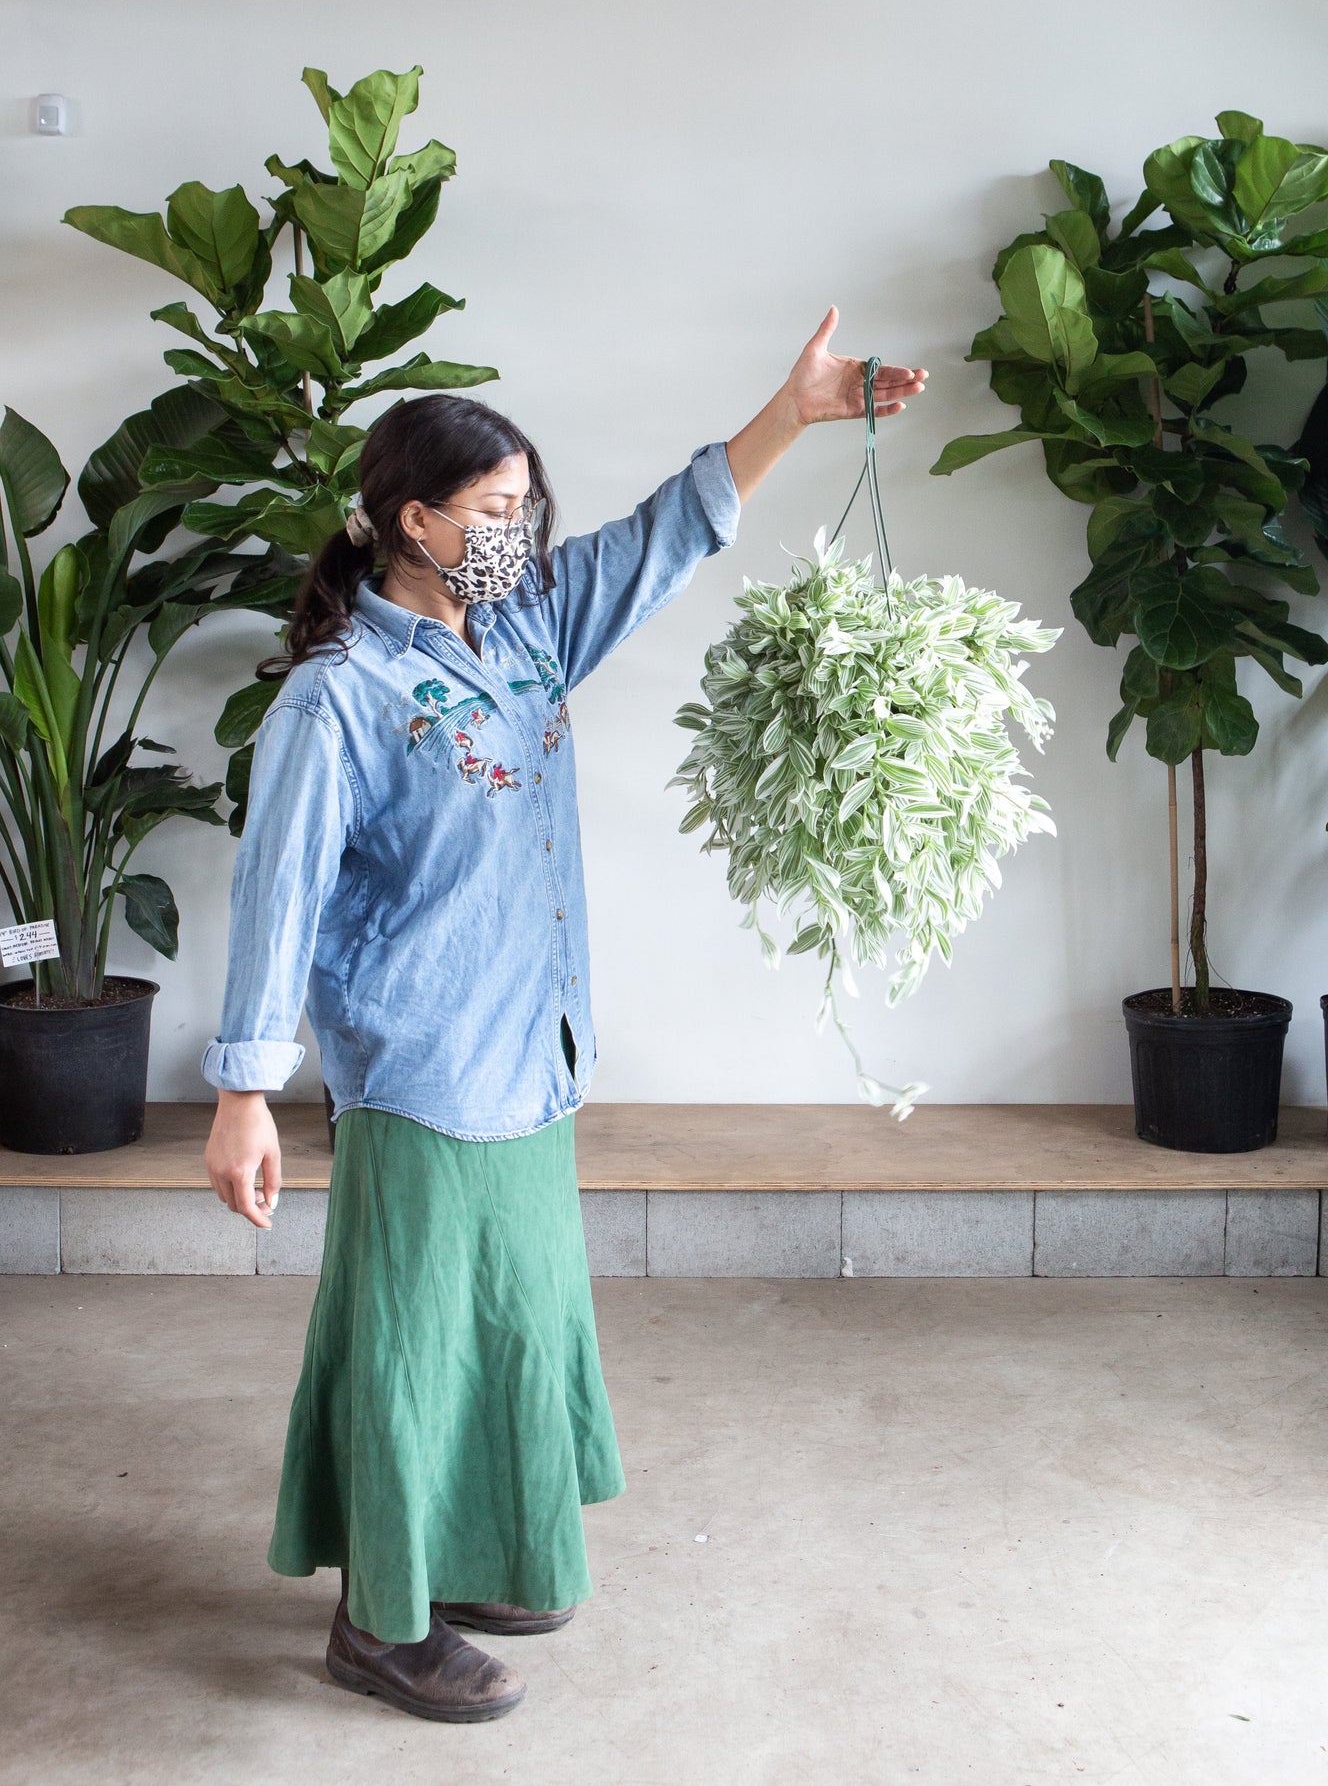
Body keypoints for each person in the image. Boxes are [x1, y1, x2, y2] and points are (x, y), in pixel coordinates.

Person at [200, 305, 926, 1724]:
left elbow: (668, 533)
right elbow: (276, 892)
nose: (520, 531)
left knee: (514, 1317)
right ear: (412, 519)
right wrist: (242, 1090)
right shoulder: (338, 700)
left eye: (528, 506)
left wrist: (799, 411)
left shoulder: (526, 631)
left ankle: (475, 1552)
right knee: (412, 1342)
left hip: (532, 1052)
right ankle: (379, 1620)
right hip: (416, 1066)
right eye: (493, 509)